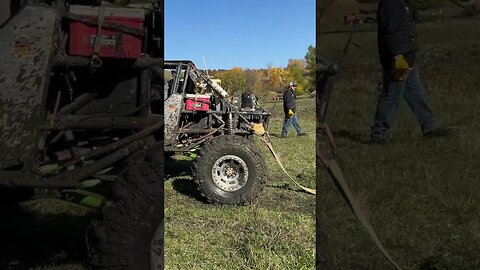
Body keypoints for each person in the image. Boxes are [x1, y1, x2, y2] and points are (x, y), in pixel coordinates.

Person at [370, 0, 450, 144]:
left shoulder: (404, 3)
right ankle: (379, 134)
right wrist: (398, 56)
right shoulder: (392, 3)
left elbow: (406, 28)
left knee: (417, 94)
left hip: (408, 56)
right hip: (398, 59)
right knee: (391, 96)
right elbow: (392, 32)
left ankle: (429, 127)